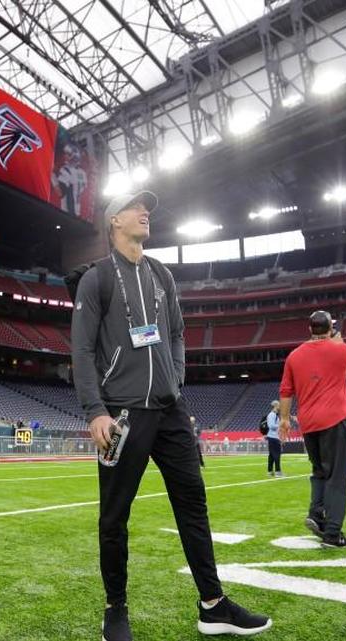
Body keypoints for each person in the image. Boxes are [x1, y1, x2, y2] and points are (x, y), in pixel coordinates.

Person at [71, 191, 270, 640]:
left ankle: (213, 604)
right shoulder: (97, 279)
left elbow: (177, 333)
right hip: (123, 415)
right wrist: (95, 410)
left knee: (193, 503)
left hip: (170, 409)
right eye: (136, 208)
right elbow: (81, 350)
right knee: (114, 516)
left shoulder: (161, 273)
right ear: (115, 220)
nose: (145, 213)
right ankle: (115, 609)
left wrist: (176, 378)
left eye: (147, 209)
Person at [279, 310, 346, 548]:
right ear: (331, 328)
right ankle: (333, 533)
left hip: (308, 423)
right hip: (335, 419)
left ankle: (316, 514)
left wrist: (284, 419)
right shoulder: (340, 349)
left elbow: (286, 391)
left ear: (309, 329)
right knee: (338, 477)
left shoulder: (294, 355)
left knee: (319, 472)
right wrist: (340, 342)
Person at [265, 400, 283, 477]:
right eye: (279, 405)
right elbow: (271, 426)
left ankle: (270, 471)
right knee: (276, 454)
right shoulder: (272, 415)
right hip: (273, 437)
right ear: (275, 406)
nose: (280, 407)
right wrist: (280, 425)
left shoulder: (273, 415)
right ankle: (278, 472)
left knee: (272, 455)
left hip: (272, 437)